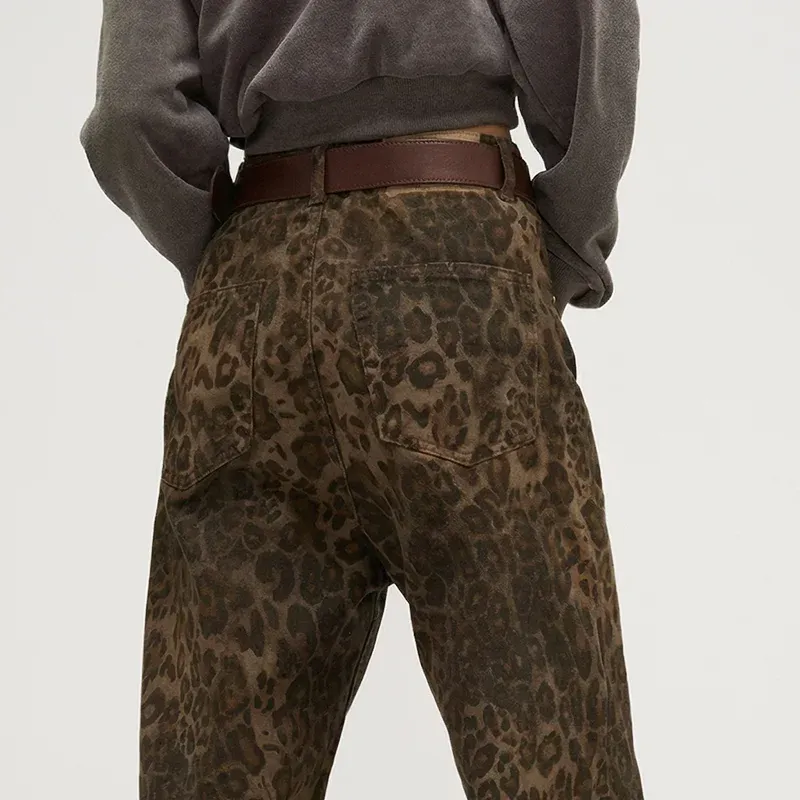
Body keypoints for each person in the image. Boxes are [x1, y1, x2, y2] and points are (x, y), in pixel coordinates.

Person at [79, 1, 643, 798]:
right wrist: (547, 252)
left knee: (216, 769)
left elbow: (128, 110)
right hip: (457, 255)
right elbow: (588, 51)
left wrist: (233, 266)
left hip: (252, 299)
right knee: (555, 756)